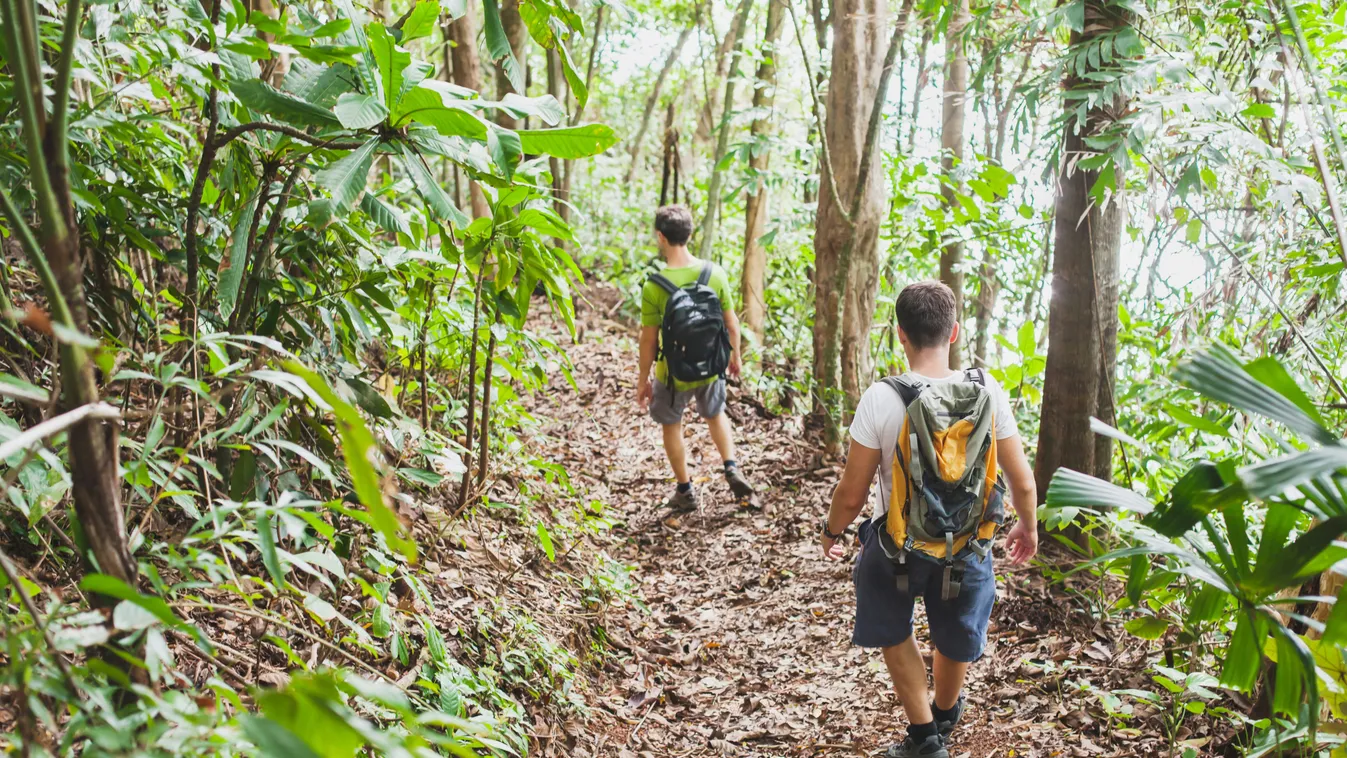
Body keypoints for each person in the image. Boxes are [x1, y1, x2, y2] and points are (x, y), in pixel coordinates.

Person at [820, 280, 1038, 758]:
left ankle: (924, 736)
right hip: (968, 545)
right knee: (957, 629)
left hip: (897, 546)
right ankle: (943, 713)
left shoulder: (881, 397)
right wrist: (1028, 525)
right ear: (953, 331)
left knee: (892, 626)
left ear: (901, 334)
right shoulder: (988, 390)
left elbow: (852, 493)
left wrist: (832, 531)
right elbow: (1021, 481)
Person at [636, 205, 756, 510]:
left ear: (661, 237)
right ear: (689, 235)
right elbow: (731, 324)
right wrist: (734, 357)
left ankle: (685, 491)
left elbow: (648, 339)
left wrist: (643, 379)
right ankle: (731, 467)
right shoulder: (714, 273)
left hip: (672, 374)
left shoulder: (654, 285)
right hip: (711, 365)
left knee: (671, 425)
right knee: (716, 414)